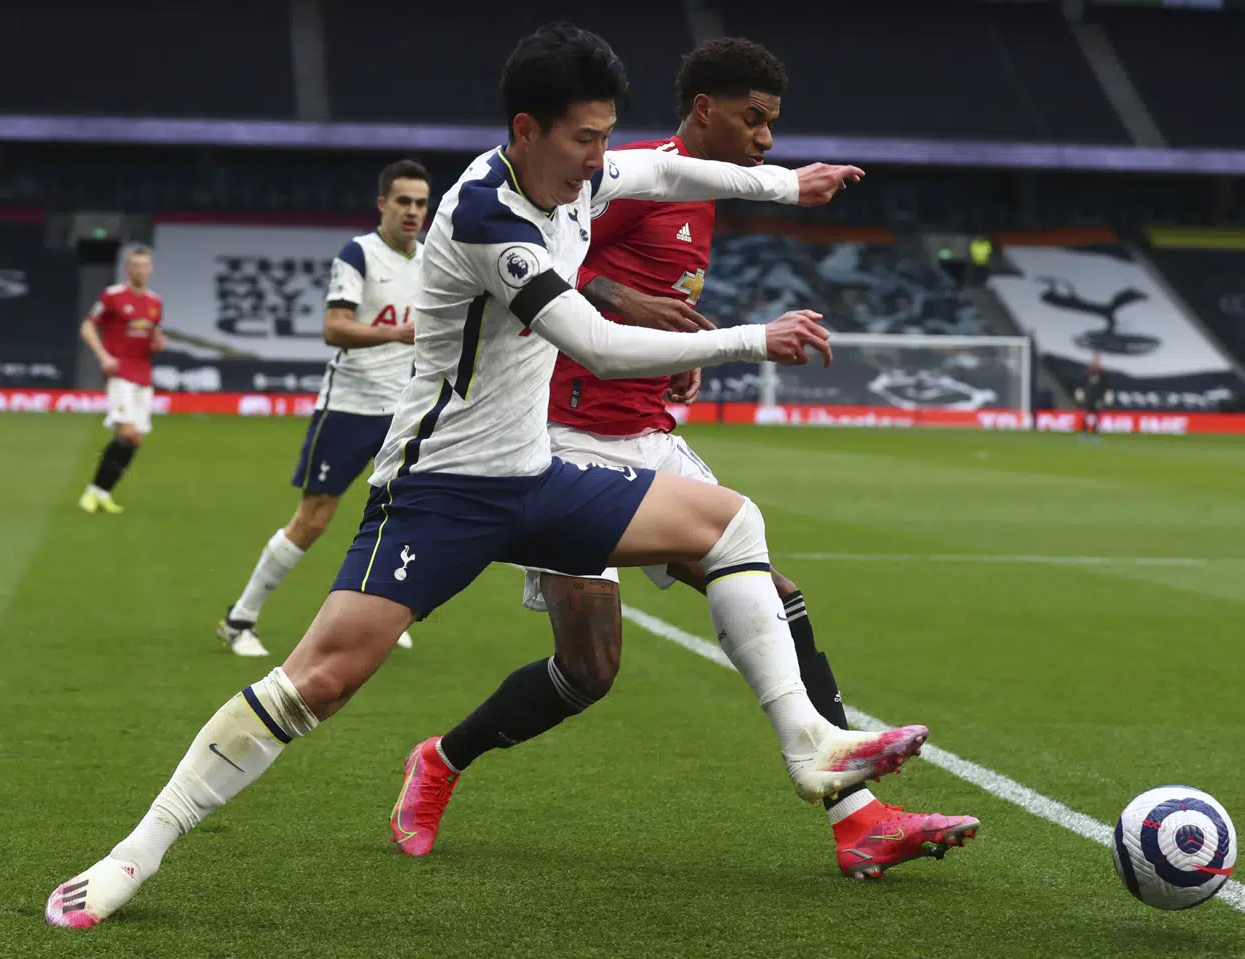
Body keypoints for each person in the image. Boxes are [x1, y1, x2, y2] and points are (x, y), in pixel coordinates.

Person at [46, 23, 929, 929]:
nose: (598, 160)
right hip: (441, 492)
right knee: (319, 681)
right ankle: (131, 855)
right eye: (583, 140)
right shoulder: (484, 219)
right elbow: (596, 343)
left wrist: (786, 183)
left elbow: (663, 169)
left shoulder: (579, 173)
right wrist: (753, 338)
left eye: (602, 136)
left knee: (731, 521)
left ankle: (811, 746)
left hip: (539, 473)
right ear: (526, 129)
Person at [393, 37, 979, 880]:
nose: (767, 140)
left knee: (775, 592)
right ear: (705, 109)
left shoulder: (702, 194)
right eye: (755, 120)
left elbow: (654, 284)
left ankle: (859, 818)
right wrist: (622, 297)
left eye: (774, 125)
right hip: (563, 436)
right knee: (590, 669)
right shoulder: (625, 175)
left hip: (649, 437)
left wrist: (680, 340)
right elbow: (549, 260)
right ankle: (441, 760)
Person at [216, 161, 430, 657]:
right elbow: (335, 328)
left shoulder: (430, 261)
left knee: (405, 517)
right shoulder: (359, 253)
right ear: (383, 204)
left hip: (405, 411)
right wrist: (395, 334)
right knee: (314, 519)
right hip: (350, 406)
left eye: (421, 203)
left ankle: (381, 615)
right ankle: (239, 618)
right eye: (403, 201)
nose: (413, 212)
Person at [77, 246, 167, 514]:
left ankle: (101, 492)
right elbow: (87, 326)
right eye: (135, 265)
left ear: (151, 269)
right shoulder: (113, 296)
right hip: (120, 374)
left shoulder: (155, 302)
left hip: (143, 374)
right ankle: (92, 492)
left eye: (145, 265)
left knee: (135, 438)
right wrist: (103, 356)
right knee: (126, 431)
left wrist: (159, 343)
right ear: (128, 269)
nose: (140, 270)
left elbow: (154, 338)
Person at [1073, 352, 1111, 437]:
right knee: (1086, 414)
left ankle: (1095, 433)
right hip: (1089, 397)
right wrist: (1082, 393)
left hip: (1098, 397)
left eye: (1097, 360)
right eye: (1094, 360)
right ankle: (1084, 431)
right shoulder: (1088, 372)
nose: (1095, 362)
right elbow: (1083, 384)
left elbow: (1105, 386)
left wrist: (1102, 397)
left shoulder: (1102, 374)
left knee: (1097, 415)